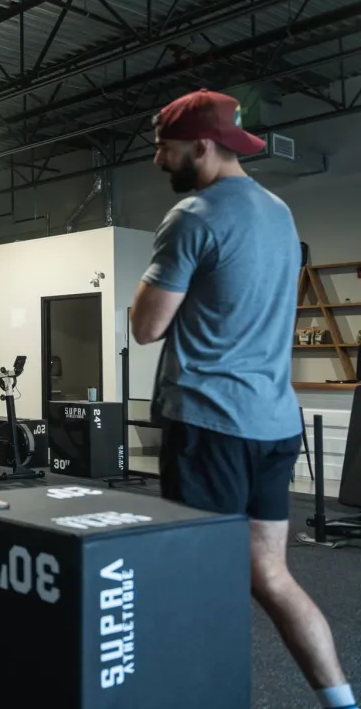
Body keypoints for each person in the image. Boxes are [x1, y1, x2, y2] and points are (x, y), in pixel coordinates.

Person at [132, 88, 355, 709]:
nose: (157, 160)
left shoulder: (194, 217)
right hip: (273, 425)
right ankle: (341, 700)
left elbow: (146, 327)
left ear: (202, 146)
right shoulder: (278, 211)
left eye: (165, 148)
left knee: (198, 589)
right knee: (271, 575)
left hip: (209, 427)